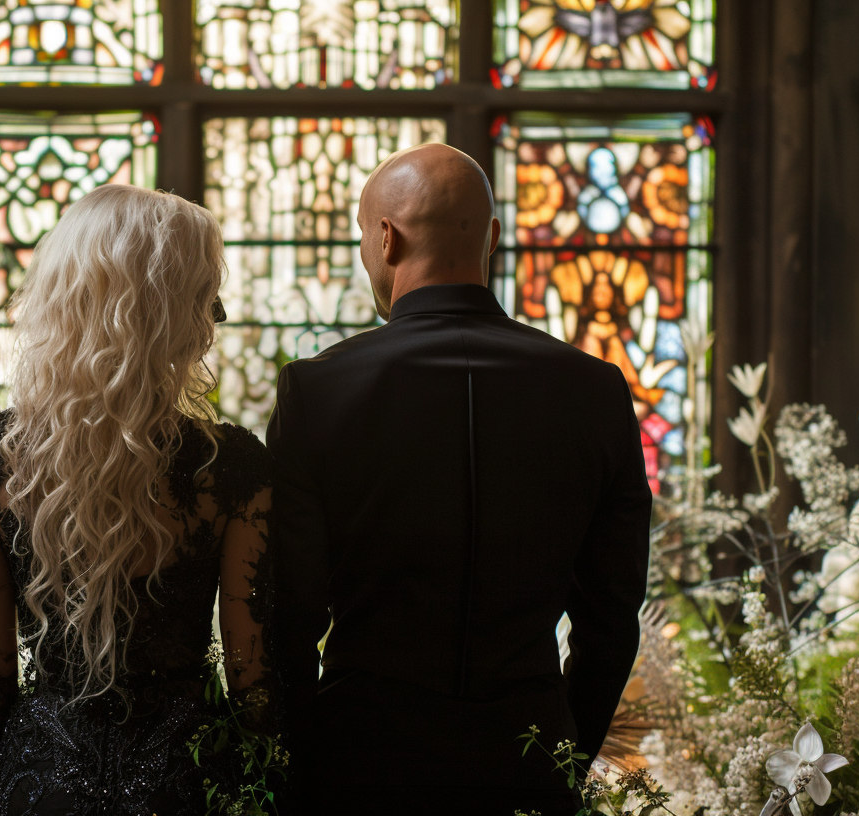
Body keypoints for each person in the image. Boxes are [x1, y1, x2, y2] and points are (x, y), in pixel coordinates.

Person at [267, 144, 652, 815]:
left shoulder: (318, 390)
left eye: (364, 235)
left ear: (386, 238)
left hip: (362, 763)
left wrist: (303, 766)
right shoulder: (595, 390)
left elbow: (288, 620)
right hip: (527, 762)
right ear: (494, 239)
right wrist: (562, 754)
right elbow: (613, 619)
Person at [0, 185, 277, 816]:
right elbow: (251, 681)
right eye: (208, 300)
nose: (214, 320)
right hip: (186, 781)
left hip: (40, 780)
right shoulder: (231, 466)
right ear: (177, 315)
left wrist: (24, 761)